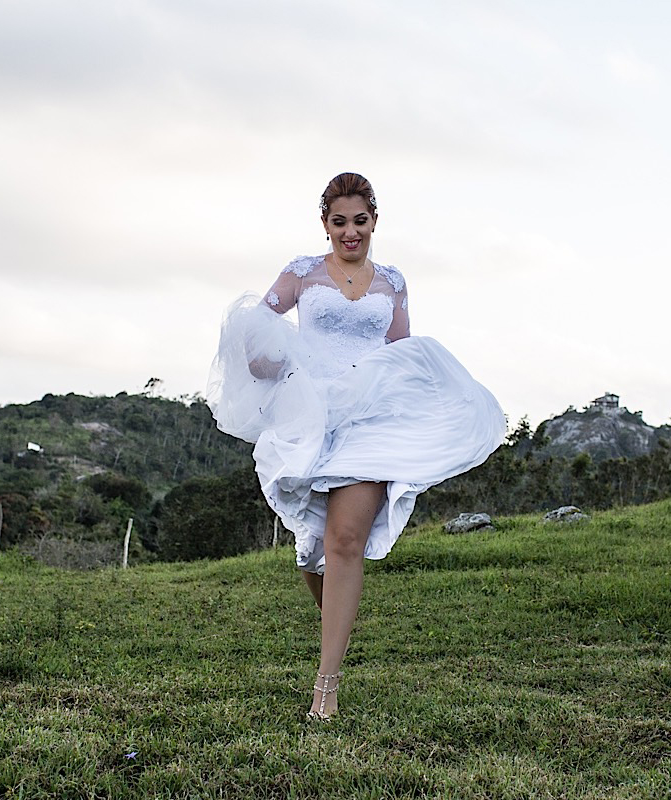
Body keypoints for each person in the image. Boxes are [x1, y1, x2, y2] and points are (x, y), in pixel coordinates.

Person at [207, 172, 506, 720]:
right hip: (313, 416)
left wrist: (426, 409)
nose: (350, 233)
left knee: (346, 541)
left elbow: (402, 351)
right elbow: (258, 326)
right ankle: (338, 621)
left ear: (374, 221)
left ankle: (326, 688)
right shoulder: (302, 274)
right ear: (325, 225)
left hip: (372, 420)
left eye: (360, 221)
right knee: (312, 550)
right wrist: (269, 360)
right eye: (339, 222)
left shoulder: (392, 282)